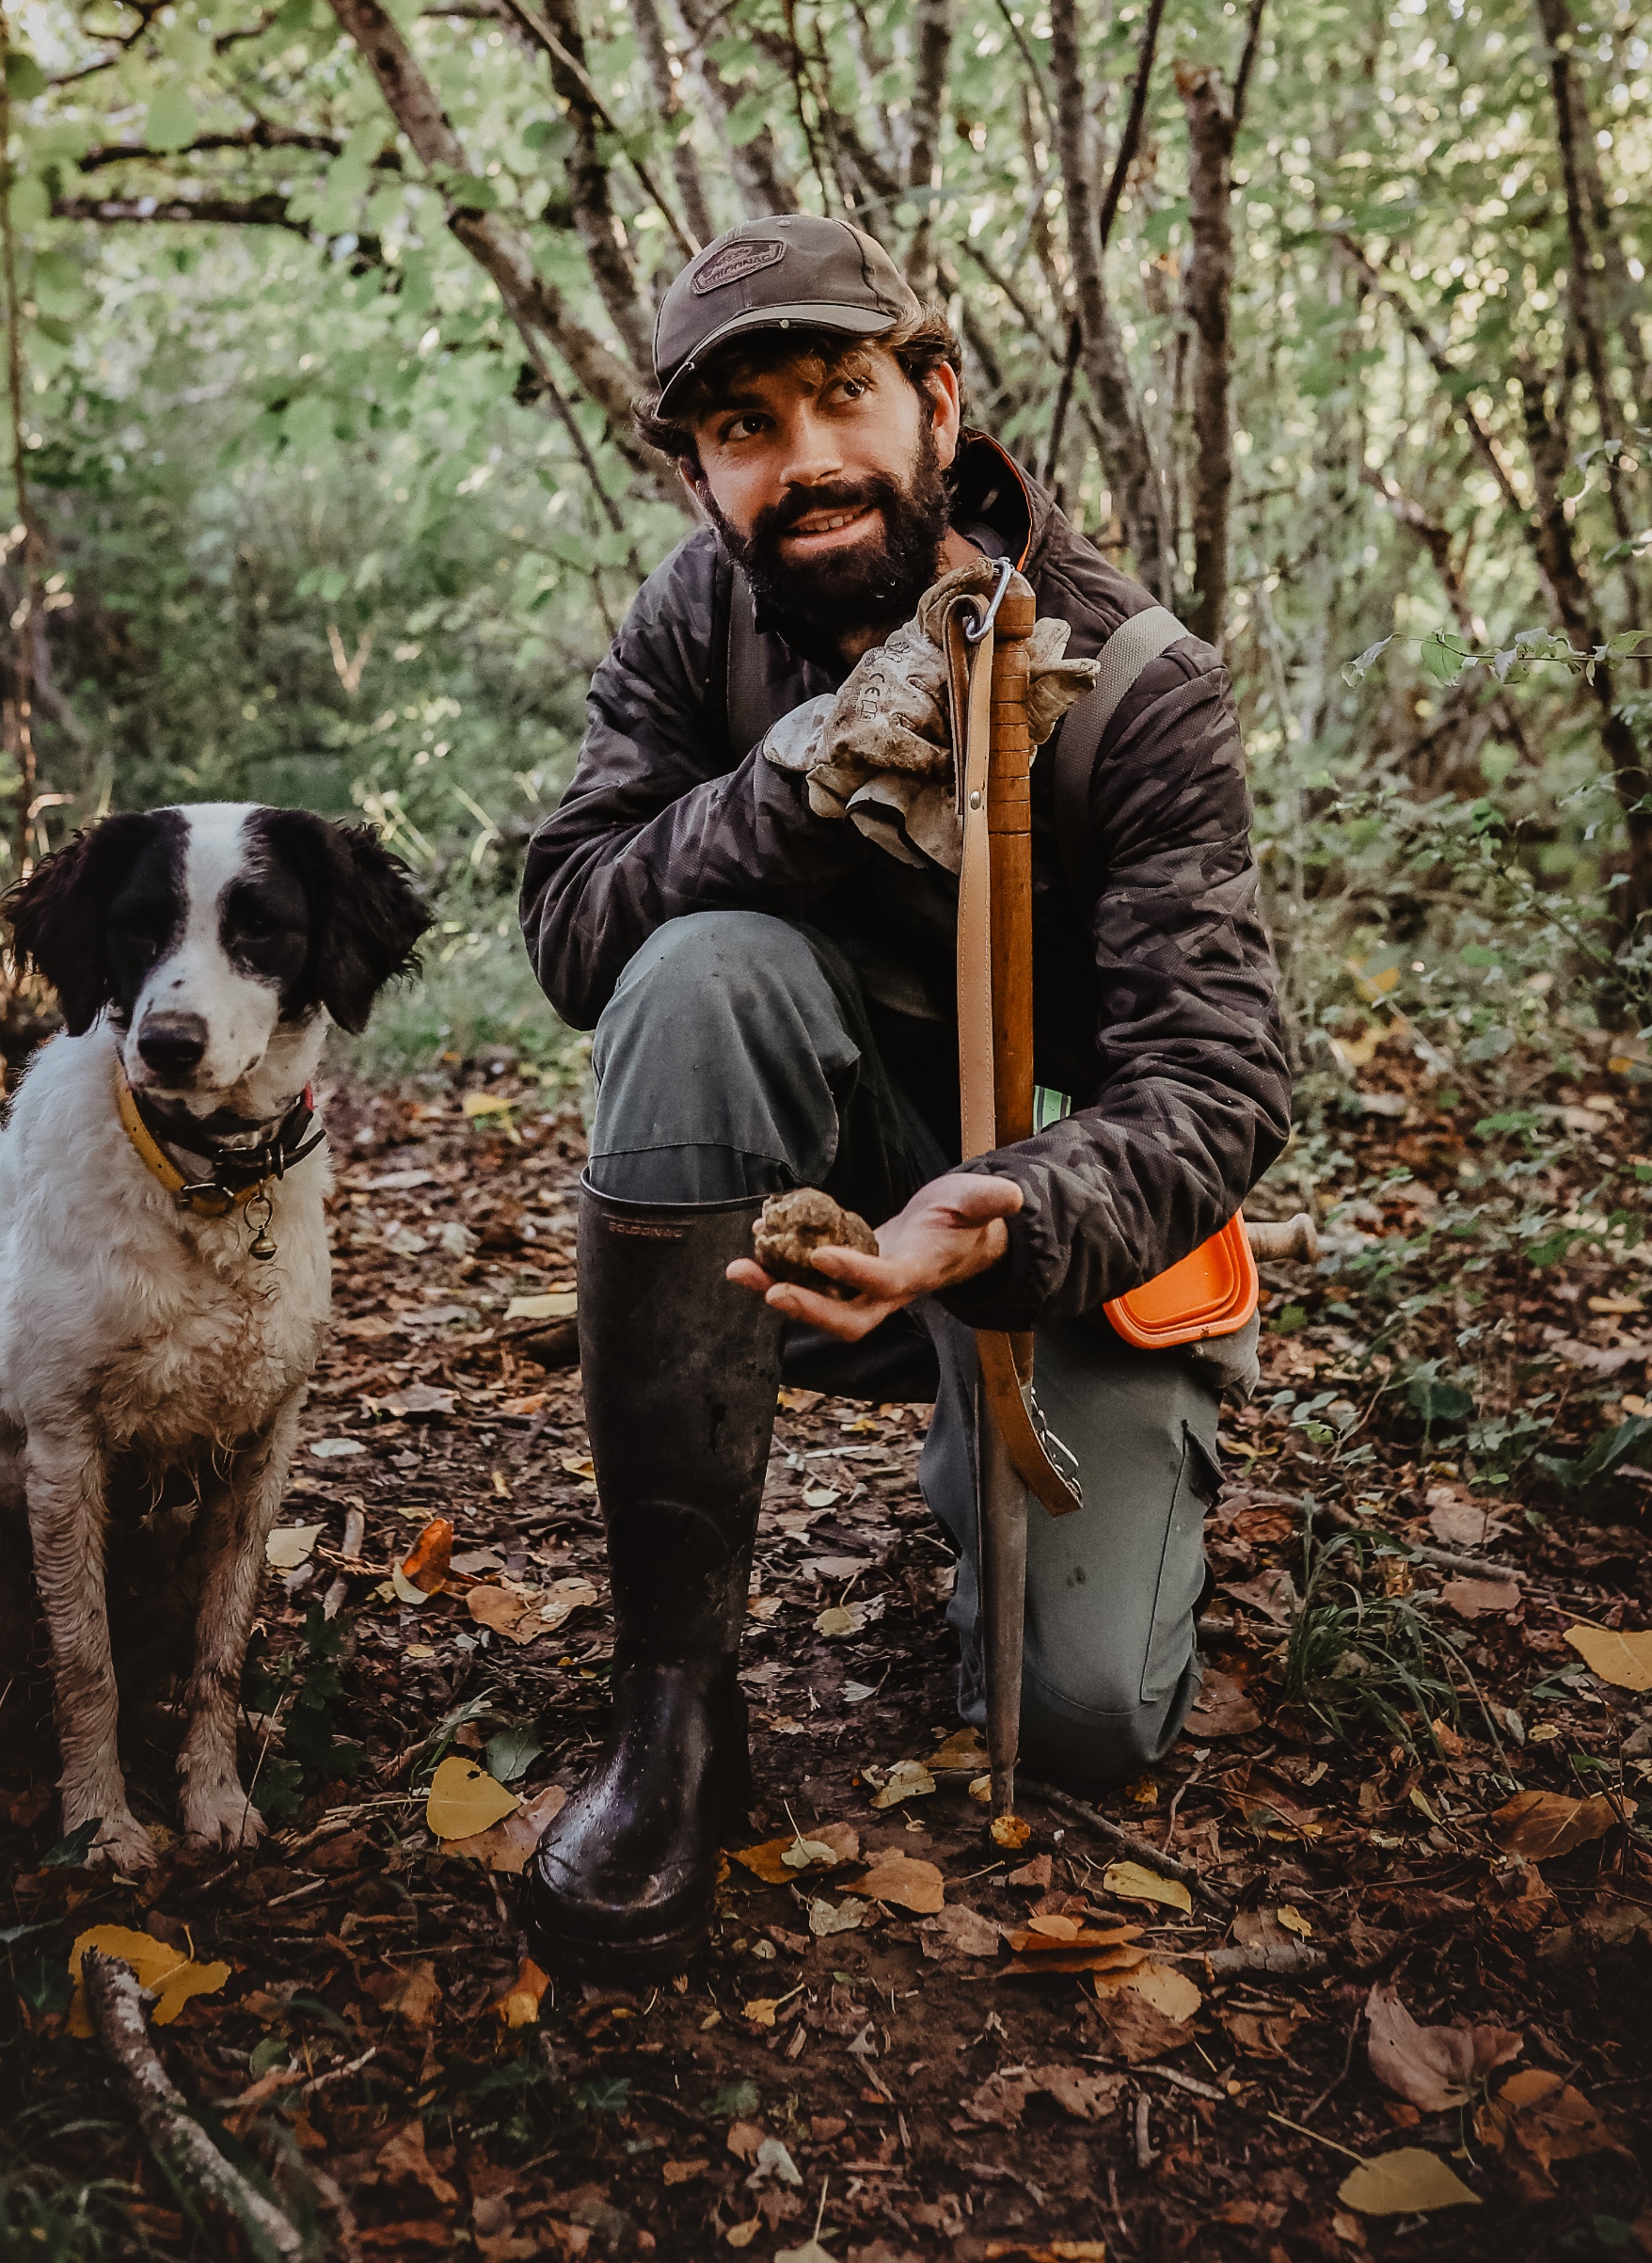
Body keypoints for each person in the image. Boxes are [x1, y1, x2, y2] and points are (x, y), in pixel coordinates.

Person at [519, 213, 1290, 1980]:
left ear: (938, 398)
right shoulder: (693, 627)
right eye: (743, 430)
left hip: (1049, 1233)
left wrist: (1006, 1215)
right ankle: (674, 1720)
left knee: (1086, 1723)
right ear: (700, 469)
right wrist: (780, 794)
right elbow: (570, 928)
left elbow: (1221, 1068)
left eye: (842, 396)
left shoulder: (1139, 683)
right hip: (792, 1221)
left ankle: (1035, 1446)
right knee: (694, 966)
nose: (806, 463)